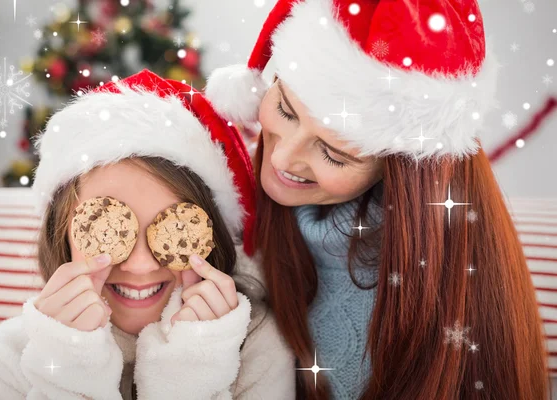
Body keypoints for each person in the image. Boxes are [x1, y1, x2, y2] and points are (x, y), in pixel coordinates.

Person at [205, 0, 550, 399]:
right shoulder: (228, 187)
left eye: (334, 153)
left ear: (399, 171)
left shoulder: (440, 294)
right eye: (285, 107)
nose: (281, 158)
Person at [0, 70, 295, 400]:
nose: (140, 265)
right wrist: (69, 373)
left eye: (174, 227)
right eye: (105, 230)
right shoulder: (13, 356)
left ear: (211, 233)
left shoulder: (256, 344)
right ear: (63, 235)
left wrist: (191, 375)